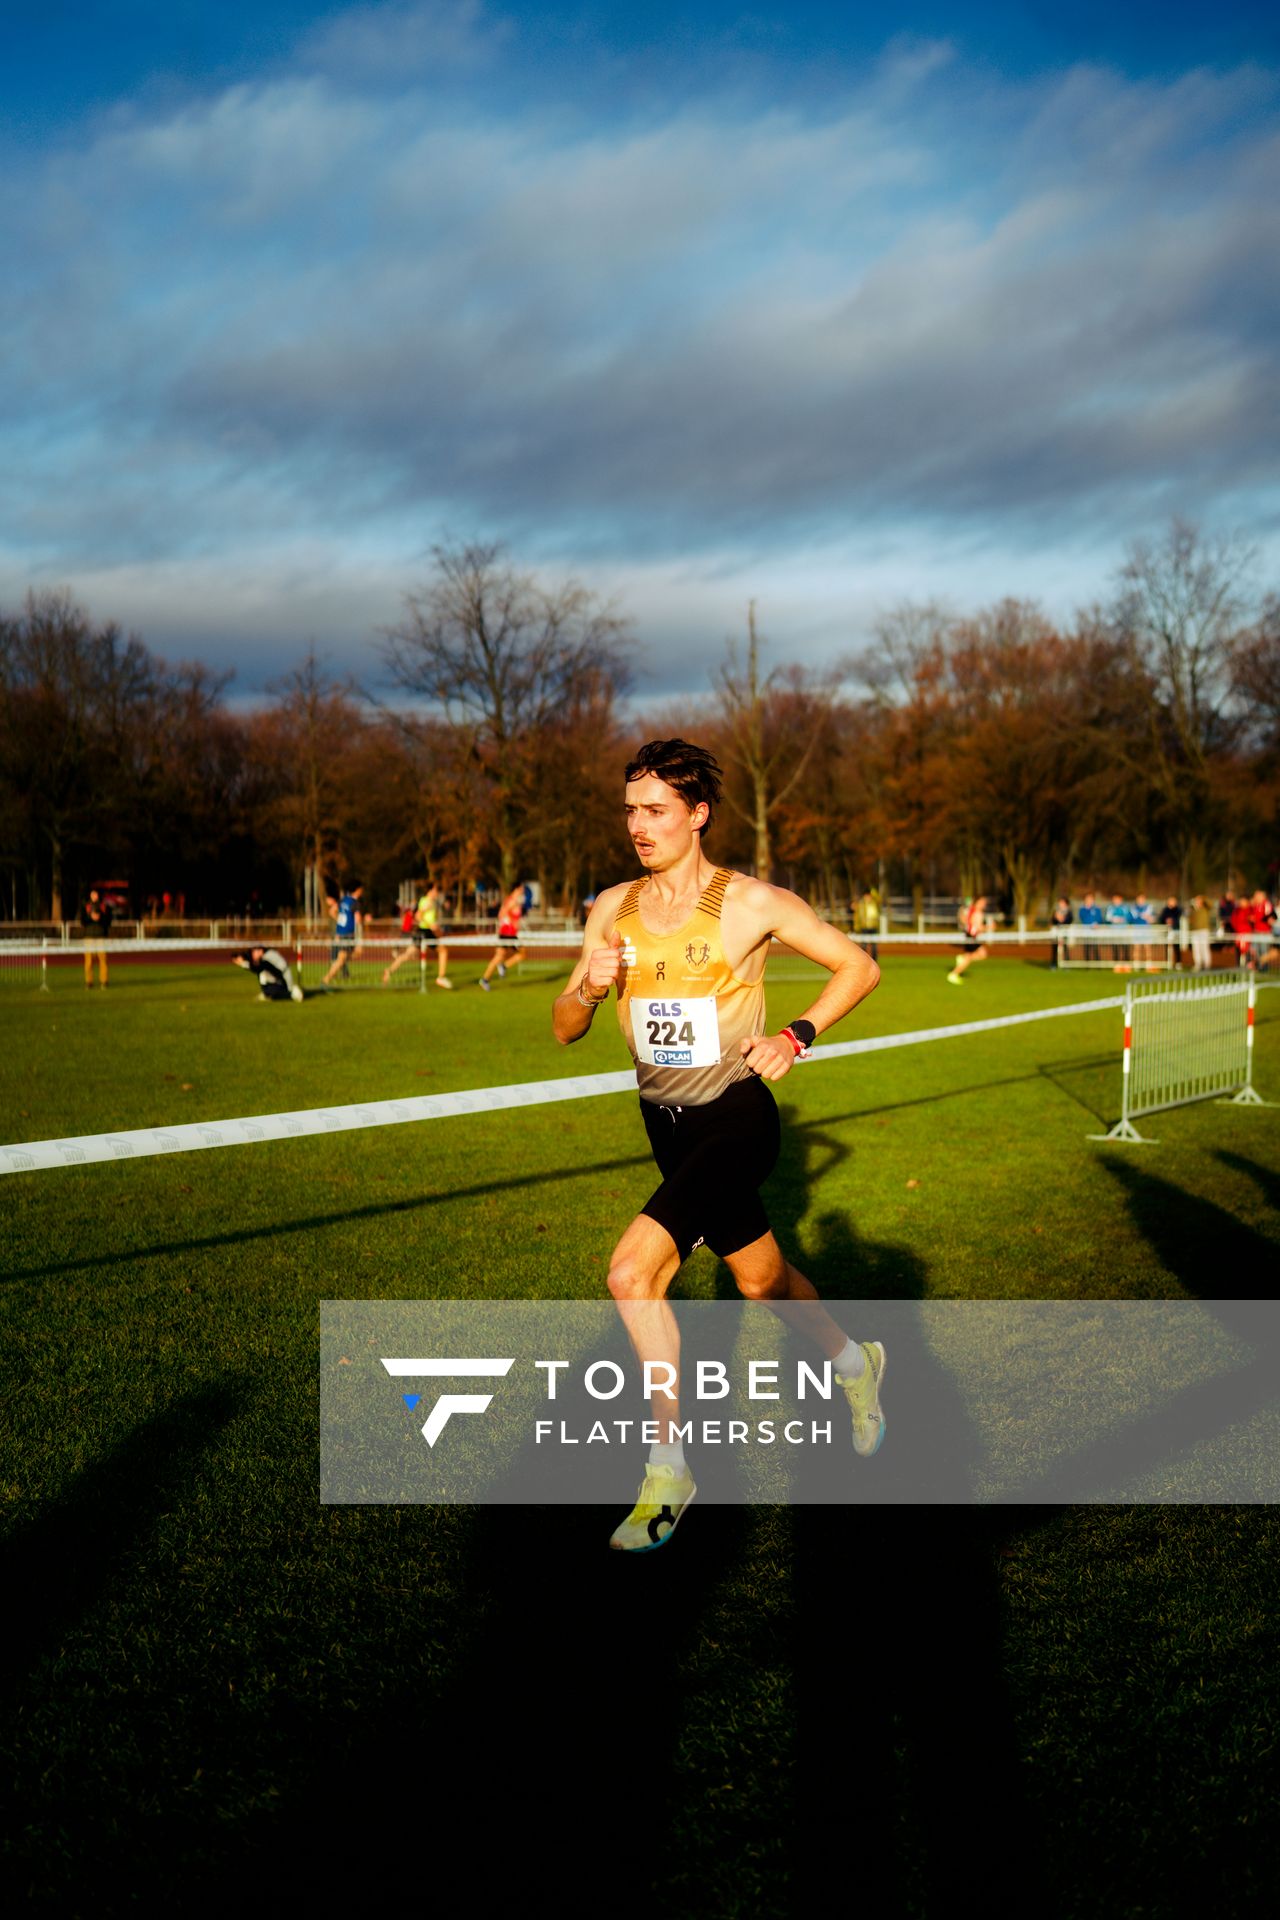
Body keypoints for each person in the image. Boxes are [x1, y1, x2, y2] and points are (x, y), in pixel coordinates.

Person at [552, 738, 884, 1553]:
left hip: (736, 1116)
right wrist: (589, 988)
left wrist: (797, 1033)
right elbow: (564, 1028)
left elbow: (858, 965)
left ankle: (669, 1471)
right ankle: (855, 1363)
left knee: (632, 1272)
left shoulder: (752, 904)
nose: (639, 825)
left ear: (698, 816)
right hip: (663, 1122)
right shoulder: (611, 907)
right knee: (761, 1279)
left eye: (656, 810)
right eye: (631, 809)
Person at [382, 883, 452, 989]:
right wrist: (431, 925)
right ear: (431, 890)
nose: (437, 893)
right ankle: (441, 977)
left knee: (408, 954)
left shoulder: (430, 901)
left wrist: (435, 928)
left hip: (425, 931)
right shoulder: (427, 901)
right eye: (436, 890)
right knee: (442, 951)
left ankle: (389, 970)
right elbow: (418, 916)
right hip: (424, 932)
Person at [479, 883, 529, 990]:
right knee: (504, 956)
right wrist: (511, 921)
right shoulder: (511, 901)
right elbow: (501, 914)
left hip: (510, 934)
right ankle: (491, 975)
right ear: (517, 888)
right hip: (507, 934)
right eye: (522, 888)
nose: (523, 890)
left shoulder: (515, 901)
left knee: (519, 954)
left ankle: (489, 976)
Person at [323, 885, 366, 987]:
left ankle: (328, 978)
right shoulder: (354, 902)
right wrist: (366, 920)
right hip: (348, 934)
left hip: (340, 933)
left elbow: (331, 911)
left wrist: (341, 921)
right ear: (358, 890)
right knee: (344, 957)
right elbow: (358, 919)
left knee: (344, 957)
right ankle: (326, 979)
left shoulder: (343, 900)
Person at [234, 945, 304, 1002]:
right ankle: (270, 993)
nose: (253, 954)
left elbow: (258, 968)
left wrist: (243, 963)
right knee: (273, 993)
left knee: (263, 976)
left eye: (254, 952)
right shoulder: (269, 954)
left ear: (260, 950)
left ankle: (291, 992)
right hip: (281, 977)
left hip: (282, 979)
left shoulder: (266, 958)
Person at [946, 896, 990, 984]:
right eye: (983, 902)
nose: (985, 904)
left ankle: (958, 967)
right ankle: (953, 974)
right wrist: (989, 927)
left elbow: (963, 919)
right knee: (975, 956)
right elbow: (978, 927)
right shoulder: (977, 912)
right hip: (972, 936)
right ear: (978, 902)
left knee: (980, 954)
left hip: (970, 935)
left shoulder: (971, 910)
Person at [80, 888, 112, 988]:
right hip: (88, 937)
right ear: (90, 895)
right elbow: (83, 921)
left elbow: (108, 922)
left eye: (96, 894)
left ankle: (104, 981)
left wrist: (99, 918)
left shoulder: (104, 907)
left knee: (103, 960)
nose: (94, 896)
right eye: (92, 894)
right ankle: (89, 982)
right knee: (88, 961)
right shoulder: (85, 907)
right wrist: (91, 918)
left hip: (101, 936)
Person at [1187, 894, 1213, 973]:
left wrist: (1203, 898)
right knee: (1196, 949)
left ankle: (1207, 965)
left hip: (1204, 931)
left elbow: (1210, 904)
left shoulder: (1205, 908)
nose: (1197, 902)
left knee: (1204, 948)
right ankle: (1198, 964)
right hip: (1194, 931)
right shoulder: (1193, 909)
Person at [1049, 895, 1073, 969]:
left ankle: (1066, 965)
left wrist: (1061, 919)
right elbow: (1053, 921)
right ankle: (1054, 964)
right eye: (1060, 902)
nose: (1060, 904)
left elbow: (1069, 920)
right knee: (1054, 948)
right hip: (1056, 932)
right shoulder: (1056, 911)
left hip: (1065, 932)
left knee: (1065, 948)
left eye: (1062, 902)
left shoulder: (1069, 912)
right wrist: (1056, 918)